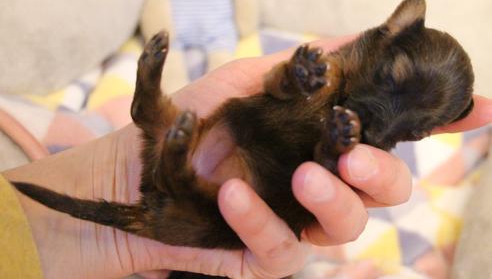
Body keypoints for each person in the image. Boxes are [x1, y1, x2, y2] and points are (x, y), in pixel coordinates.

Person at [1, 36, 490, 279]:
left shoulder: (360, 138)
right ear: (386, 38)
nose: (385, 108)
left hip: (211, 192)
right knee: (173, 137)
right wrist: (294, 78)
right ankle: (158, 124)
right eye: (393, 79)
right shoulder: (332, 69)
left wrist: (334, 147)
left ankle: (171, 153)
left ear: (423, 132)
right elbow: (274, 92)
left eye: (413, 119)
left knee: (215, 189)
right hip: (220, 145)